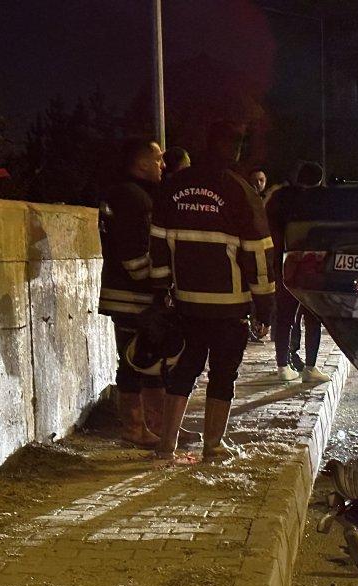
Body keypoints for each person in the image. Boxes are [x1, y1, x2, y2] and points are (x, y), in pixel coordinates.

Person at [149, 121, 276, 460]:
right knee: (223, 374)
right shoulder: (240, 191)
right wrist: (265, 306)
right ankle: (213, 445)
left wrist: (161, 289)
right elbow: (258, 254)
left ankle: (166, 445)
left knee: (184, 369)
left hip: (186, 302)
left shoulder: (174, 187)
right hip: (229, 306)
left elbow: (158, 243)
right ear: (236, 150)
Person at [97, 137, 165, 447]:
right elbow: (134, 253)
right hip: (133, 296)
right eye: (158, 159)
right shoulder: (133, 198)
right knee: (135, 362)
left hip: (127, 293)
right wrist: (157, 282)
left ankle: (156, 426)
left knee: (148, 361)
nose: (163, 165)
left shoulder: (124, 194)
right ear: (142, 163)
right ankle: (136, 428)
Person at [265, 161, 330, 384]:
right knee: (313, 318)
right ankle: (310, 368)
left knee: (284, 317)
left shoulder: (280, 199)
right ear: (319, 180)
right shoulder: (322, 201)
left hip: (285, 264)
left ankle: (282, 366)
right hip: (313, 266)